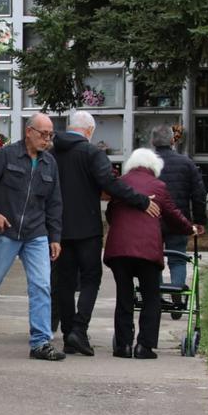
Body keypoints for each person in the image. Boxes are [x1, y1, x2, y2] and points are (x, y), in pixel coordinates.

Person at [50, 111, 160, 357]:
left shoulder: (52, 152)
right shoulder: (91, 153)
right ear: (89, 130)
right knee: (90, 278)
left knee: (65, 282)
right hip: (87, 228)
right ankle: (79, 328)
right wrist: (141, 200)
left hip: (58, 228)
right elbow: (110, 184)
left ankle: (69, 334)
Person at [0, 113, 65, 360]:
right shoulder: (7, 155)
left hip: (36, 233)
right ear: (29, 131)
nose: (47, 139)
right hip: (6, 230)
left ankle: (40, 342)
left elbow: (55, 203)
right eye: (43, 134)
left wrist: (55, 236)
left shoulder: (50, 164)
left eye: (50, 135)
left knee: (41, 285)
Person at [104, 148, 196, 359]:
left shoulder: (121, 183)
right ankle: (144, 346)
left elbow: (110, 213)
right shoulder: (158, 186)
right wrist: (189, 228)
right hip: (147, 250)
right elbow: (173, 216)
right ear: (154, 167)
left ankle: (123, 345)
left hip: (119, 250)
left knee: (124, 296)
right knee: (151, 297)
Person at [151, 125, 207, 295]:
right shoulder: (186, 163)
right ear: (171, 140)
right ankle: (176, 291)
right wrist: (199, 221)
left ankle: (156, 296)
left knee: (154, 260)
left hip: (152, 219)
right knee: (177, 259)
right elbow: (199, 194)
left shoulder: (147, 163)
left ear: (153, 142)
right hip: (178, 219)